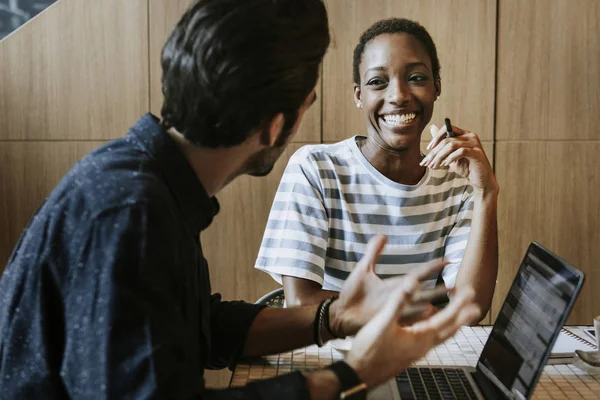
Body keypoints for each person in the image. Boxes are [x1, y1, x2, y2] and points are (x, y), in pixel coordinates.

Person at [0, 2, 479, 399]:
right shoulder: (129, 215)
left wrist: (333, 317)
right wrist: (353, 372)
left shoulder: (142, 182)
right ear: (275, 125)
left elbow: (202, 326)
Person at [254, 18, 498, 322]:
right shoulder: (316, 169)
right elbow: (302, 303)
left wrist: (485, 192)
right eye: (377, 82)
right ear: (359, 96)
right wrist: (424, 310)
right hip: (333, 355)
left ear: (437, 86)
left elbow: (469, 308)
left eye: (417, 78)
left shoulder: (457, 186)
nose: (398, 95)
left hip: (415, 355)